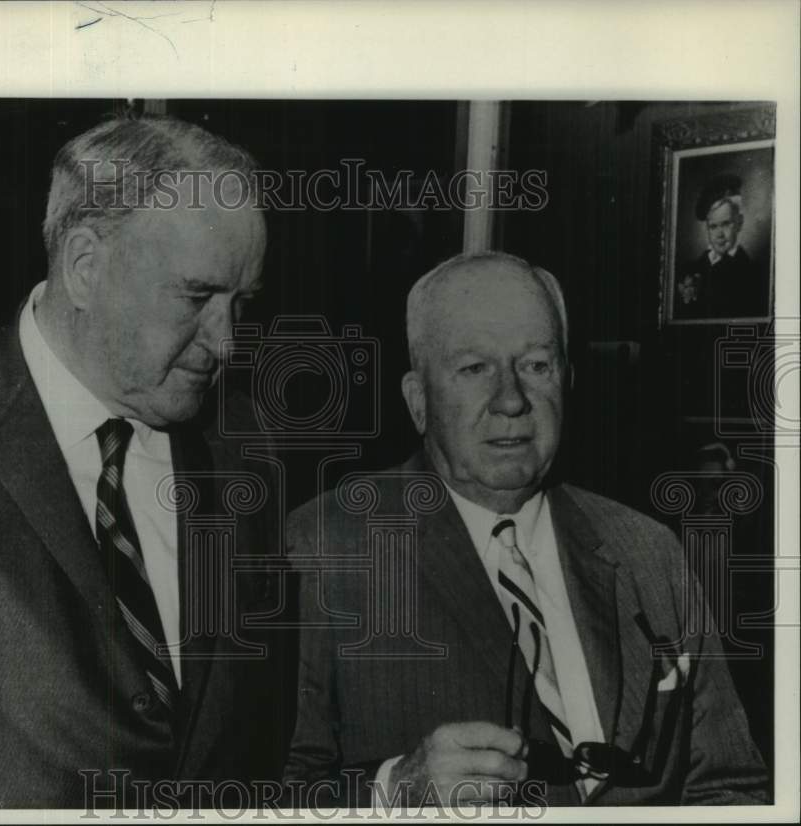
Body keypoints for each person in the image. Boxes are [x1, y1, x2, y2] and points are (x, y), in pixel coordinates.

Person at [285, 251, 769, 807]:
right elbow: (264, 794)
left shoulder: (648, 550)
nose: (512, 399)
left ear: (568, 381)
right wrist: (396, 791)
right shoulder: (323, 549)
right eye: (474, 368)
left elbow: (730, 788)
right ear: (418, 401)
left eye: (536, 365)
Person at [0, 113, 294, 809]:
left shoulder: (246, 462)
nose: (228, 341)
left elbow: (256, 760)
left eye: (242, 303)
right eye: (197, 296)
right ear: (86, 267)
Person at [675, 174, 768, 320]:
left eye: (726, 224)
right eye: (713, 226)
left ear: (739, 223)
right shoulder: (692, 269)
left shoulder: (754, 273)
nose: (719, 234)